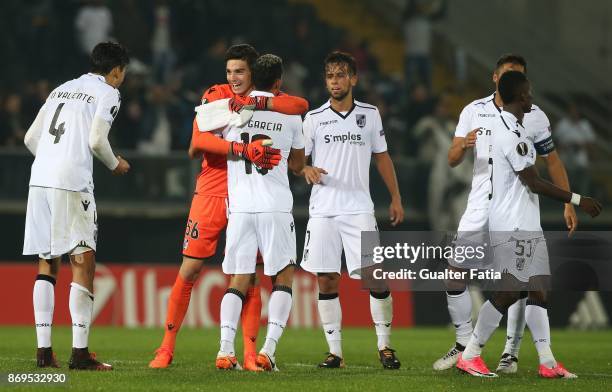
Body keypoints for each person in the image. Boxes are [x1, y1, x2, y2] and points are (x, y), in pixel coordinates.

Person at [149, 44, 308, 371]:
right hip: (211, 191)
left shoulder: (264, 102)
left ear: (253, 72)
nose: (233, 78)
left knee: (247, 278)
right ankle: (166, 348)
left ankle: (248, 354)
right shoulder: (218, 97)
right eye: (229, 72)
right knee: (190, 268)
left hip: (244, 198)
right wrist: (243, 149)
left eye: (240, 72)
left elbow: (299, 104)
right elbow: (196, 144)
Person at [436, 54, 578, 373]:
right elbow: (452, 157)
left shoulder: (536, 117)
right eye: (509, 75)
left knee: (526, 282)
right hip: (480, 205)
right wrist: (463, 146)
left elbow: (552, 161)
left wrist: (568, 202)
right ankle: (464, 345)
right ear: (495, 78)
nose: (517, 82)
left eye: (520, 76)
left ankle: (512, 353)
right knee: (457, 272)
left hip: (520, 205)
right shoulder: (474, 110)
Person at [456, 70, 601, 378]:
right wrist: (577, 200)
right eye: (528, 92)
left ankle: (547, 363)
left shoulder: (504, 126)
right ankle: (471, 354)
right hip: (513, 222)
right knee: (510, 290)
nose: (531, 97)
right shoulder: (512, 133)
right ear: (520, 96)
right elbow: (533, 182)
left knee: (539, 289)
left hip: (526, 221)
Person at [23, 41, 131, 370]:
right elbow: (97, 140)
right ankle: (80, 353)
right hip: (71, 181)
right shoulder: (108, 93)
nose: (122, 79)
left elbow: (30, 139)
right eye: (123, 74)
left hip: (39, 178)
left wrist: (52, 162)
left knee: (47, 261)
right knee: (83, 260)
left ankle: (43, 352)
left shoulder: (62, 88)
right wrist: (114, 164)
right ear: (115, 71)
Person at [299, 51, 404, 369]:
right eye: (330, 75)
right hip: (323, 210)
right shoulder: (314, 118)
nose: (335, 80)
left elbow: (382, 157)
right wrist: (305, 170)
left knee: (375, 277)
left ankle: (385, 346)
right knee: (327, 279)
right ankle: (335, 352)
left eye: (341, 74)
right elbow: (297, 160)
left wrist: (395, 197)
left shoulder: (370, 114)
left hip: (358, 208)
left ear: (353, 79)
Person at [212, 54, 305, 371]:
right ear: (279, 81)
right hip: (275, 205)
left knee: (238, 277)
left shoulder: (232, 109)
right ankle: (267, 351)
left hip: (239, 206)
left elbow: (203, 138)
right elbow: (297, 165)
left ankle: (226, 350)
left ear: (252, 76)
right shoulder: (290, 115)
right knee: (283, 274)